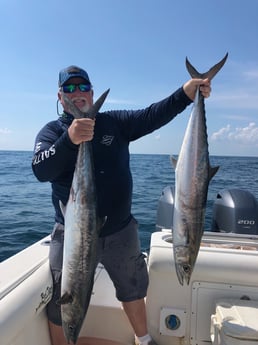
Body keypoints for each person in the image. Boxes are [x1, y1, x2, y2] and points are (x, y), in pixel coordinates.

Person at [32, 65, 211, 345]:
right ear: (60, 95)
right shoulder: (51, 132)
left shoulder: (115, 123)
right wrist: (69, 140)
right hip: (72, 235)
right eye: (69, 88)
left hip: (120, 231)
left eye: (82, 88)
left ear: (91, 93)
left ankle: (144, 339)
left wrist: (186, 94)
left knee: (133, 289)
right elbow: (41, 170)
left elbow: (153, 115)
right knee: (60, 297)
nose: (76, 93)